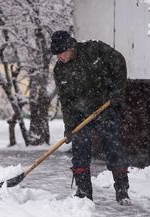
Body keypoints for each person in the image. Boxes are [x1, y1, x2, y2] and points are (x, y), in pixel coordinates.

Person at [51, 30, 130, 205]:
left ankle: (122, 190)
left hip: (105, 108)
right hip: (80, 115)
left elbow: (119, 62)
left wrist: (117, 91)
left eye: (62, 53)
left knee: (114, 148)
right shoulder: (59, 71)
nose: (60, 58)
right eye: (57, 55)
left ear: (71, 47)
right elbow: (66, 102)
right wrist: (69, 126)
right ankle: (84, 192)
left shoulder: (94, 50)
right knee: (79, 150)